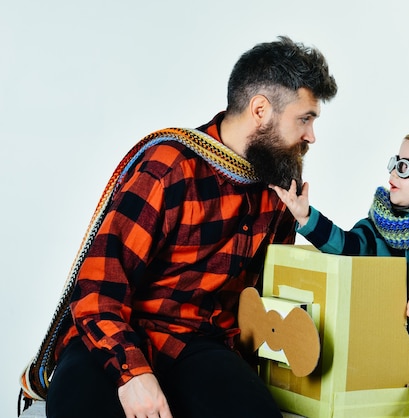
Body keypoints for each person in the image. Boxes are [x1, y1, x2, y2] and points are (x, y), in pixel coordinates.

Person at [43, 36, 338, 418]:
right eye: (305, 119)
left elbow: (265, 294)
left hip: (199, 342)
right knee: (79, 408)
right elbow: (99, 290)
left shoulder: (279, 183)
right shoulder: (169, 167)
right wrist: (133, 375)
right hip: (123, 329)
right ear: (261, 110)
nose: (311, 136)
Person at [271, 126, 409, 356]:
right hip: (391, 344)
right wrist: (305, 216)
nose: (392, 174)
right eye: (395, 163)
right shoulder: (381, 224)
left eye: (404, 168)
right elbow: (348, 247)